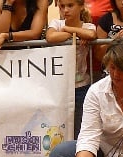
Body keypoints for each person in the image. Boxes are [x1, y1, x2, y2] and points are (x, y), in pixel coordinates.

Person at [0, 0, 47, 157]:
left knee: (25, 124)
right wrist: (8, 6)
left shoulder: (40, 2)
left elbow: (35, 33)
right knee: (6, 122)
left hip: (32, 70)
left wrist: (7, 36)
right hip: (3, 71)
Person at [46, 0, 96, 139]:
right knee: (59, 127)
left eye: (70, 6)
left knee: (80, 128)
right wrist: (77, 34)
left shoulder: (88, 26)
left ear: (81, 6)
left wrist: (68, 30)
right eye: (62, 6)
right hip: (60, 87)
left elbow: (91, 35)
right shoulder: (56, 24)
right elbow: (50, 36)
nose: (66, 10)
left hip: (81, 87)